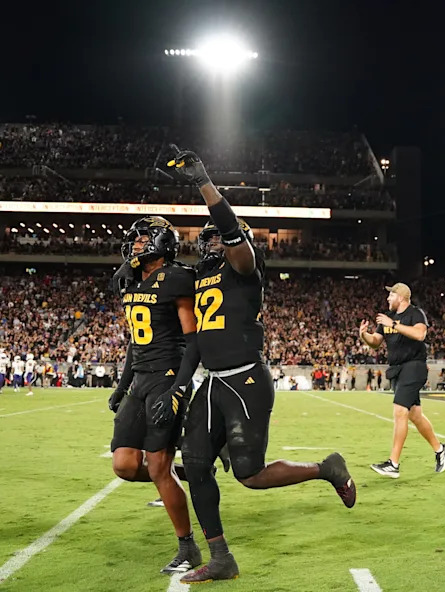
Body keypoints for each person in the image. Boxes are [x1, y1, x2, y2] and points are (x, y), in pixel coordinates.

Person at [151, 146, 356, 584]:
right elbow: (181, 315)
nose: (208, 244)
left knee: (250, 475)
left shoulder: (245, 266)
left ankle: (327, 468)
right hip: (212, 384)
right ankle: (220, 556)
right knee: (197, 465)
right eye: (204, 239)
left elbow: (229, 233)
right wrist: (180, 385)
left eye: (215, 238)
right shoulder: (201, 276)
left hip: (245, 380)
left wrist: (204, 183)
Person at [106, 216, 202, 576]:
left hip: (166, 376)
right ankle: (184, 471)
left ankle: (187, 547)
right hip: (141, 379)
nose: (135, 245)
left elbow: (193, 342)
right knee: (125, 465)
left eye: (143, 239)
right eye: (134, 240)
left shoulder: (177, 277)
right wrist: (122, 384)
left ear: (162, 243)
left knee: (157, 466)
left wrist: (178, 389)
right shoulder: (131, 281)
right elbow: (135, 342)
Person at [360, 282, 445, 479]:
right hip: (397, 370)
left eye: (391, 295)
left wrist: (393, 325)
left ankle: (393, 464)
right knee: (415, 415)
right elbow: (375, 343)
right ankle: (440, 449)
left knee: (400, 411)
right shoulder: (387, 317)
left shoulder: (415, 313)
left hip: (414, 366)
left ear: (400, 297)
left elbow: (420, 334)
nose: (387, 299)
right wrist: (364, 335)